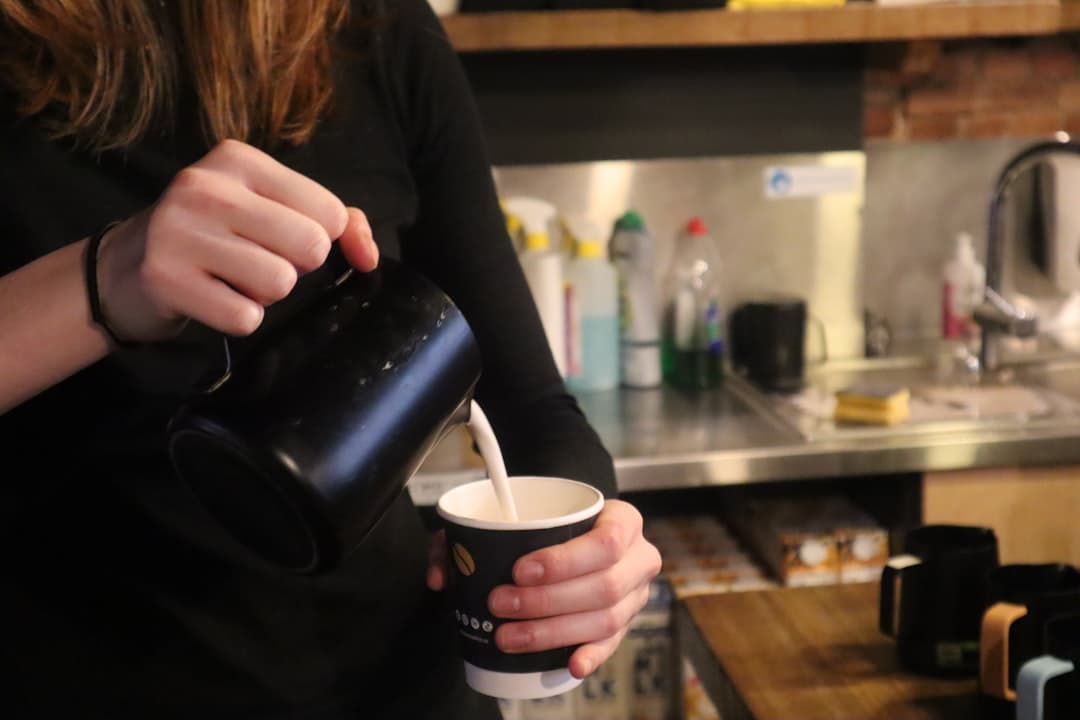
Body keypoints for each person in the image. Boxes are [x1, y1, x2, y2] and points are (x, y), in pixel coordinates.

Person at [0, 0, 661, 717]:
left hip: (401, 688)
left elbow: (531, 411)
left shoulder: (373, 27)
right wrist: (105, 278)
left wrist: (588, 557)